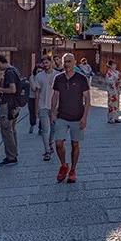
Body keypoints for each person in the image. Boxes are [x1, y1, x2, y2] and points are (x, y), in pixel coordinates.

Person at [51, 52, 91, 183]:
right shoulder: (58, 78)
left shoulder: (81, 78)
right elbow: (55, 96)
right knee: (58, 143)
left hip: (77, 116)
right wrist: (52, 112)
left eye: (69, 61)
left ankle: (73, 169)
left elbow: (87, 99)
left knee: (75, 144)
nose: (67, 64)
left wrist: (84, 117)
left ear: (74, 63)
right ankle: (63, 165)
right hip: (62, 115)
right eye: (65, 61)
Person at [0, 55, 21, 166]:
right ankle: (14, 153)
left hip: (8, 105)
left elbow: (12, 89)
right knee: (12, 130)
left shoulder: (9, 72)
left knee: (6, 131)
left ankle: (11, 156)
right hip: (14, 105)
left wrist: (0, 89)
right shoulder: (15, 70)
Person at [32, 56, 59, 162]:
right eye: (44, 63)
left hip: (54, 106)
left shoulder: (57, 75)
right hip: (43, 105)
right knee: (45, 130)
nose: (45, 64)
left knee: (53, 128)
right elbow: (37, 93)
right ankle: (47, 151)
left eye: (47, 62)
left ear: (51, 62)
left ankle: (50, 143)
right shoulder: (39, 76)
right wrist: (36, 108)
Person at [27, 66, 41, 134]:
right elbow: (34, 88)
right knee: (32, 112)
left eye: (41, 71)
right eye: (38, 71)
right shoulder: (32, 77)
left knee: (42, 113)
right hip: (32, 98)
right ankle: (32, 124)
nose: (39, 73)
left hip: (41, 98)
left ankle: (41, 128)